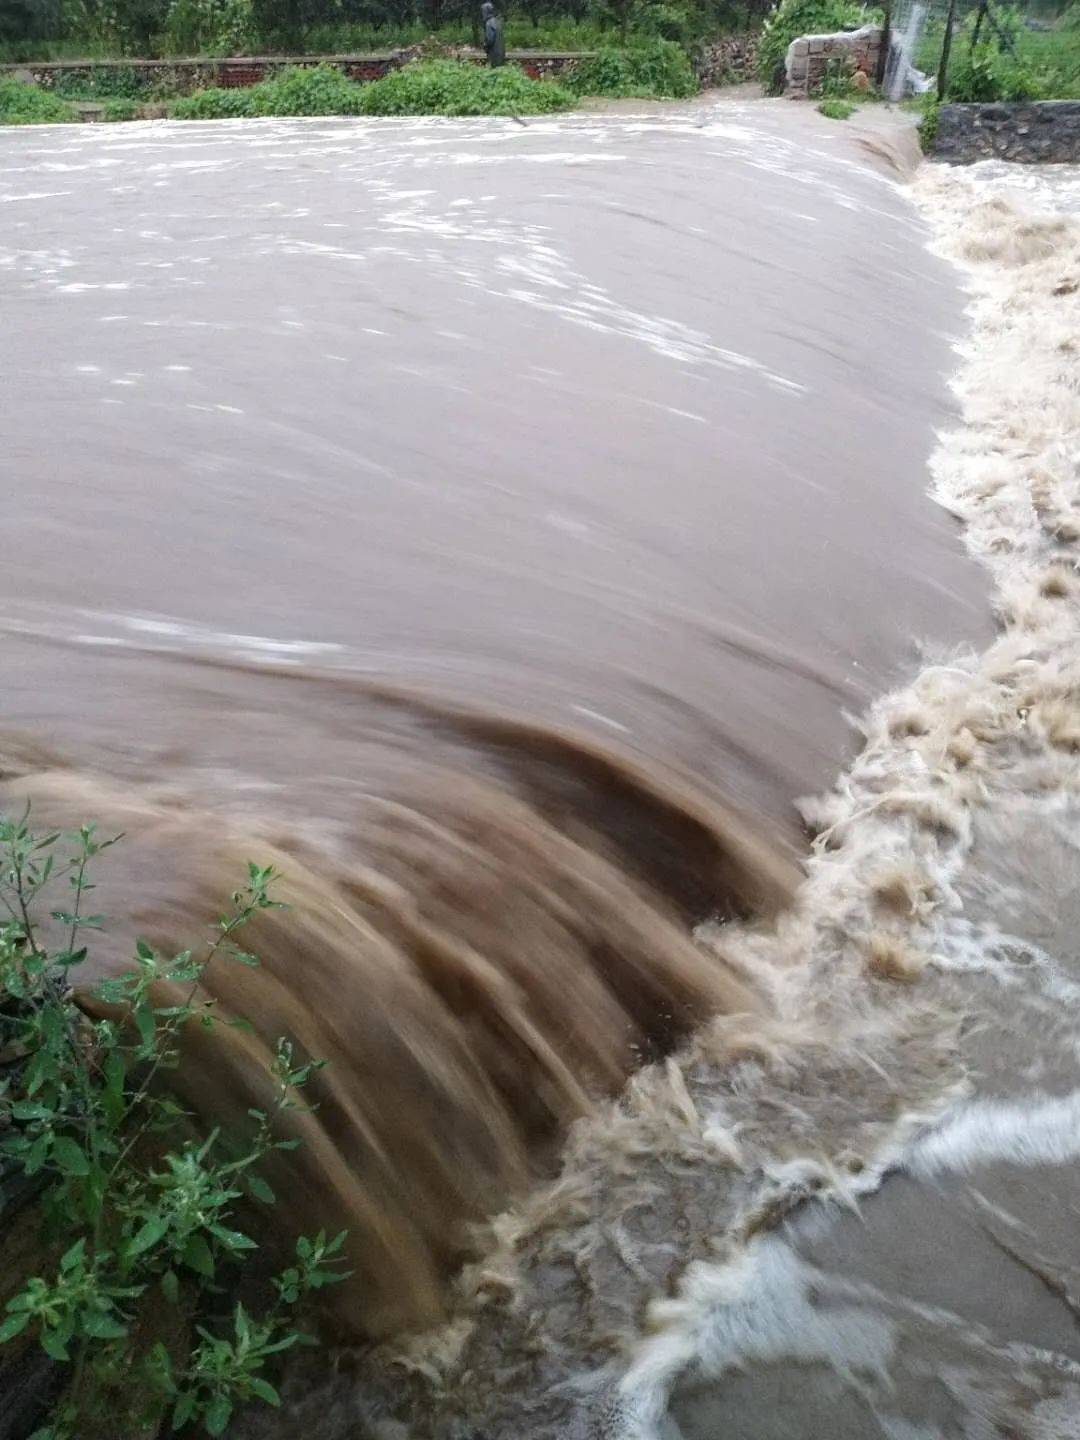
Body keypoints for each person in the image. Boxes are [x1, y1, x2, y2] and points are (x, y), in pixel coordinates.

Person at [481, 2, 506, 67]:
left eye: (483, 11)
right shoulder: (497, 21)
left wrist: (485, 45)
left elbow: (489, 40)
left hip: (494, 53)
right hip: (501, 52)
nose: (482, 13)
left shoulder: (489, 23)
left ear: (487, 11)